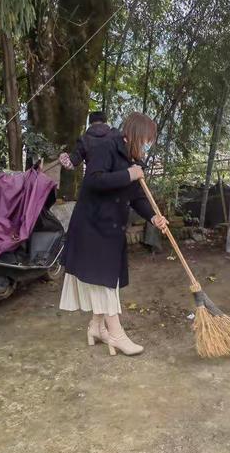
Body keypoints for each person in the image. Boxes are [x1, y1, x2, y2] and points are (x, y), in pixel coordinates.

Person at [59, 112, 168, 356]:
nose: (148, 145)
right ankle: (116, 335)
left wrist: (153, 217)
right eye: (147, 140)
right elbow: (94, 181)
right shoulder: (106, 146)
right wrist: (130, 174)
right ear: (137, 135)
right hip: (92, 225)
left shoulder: (131, 156)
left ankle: (97, 328)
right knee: (105, 283)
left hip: (110, 227)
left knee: (107, 280)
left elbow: (137, 196)